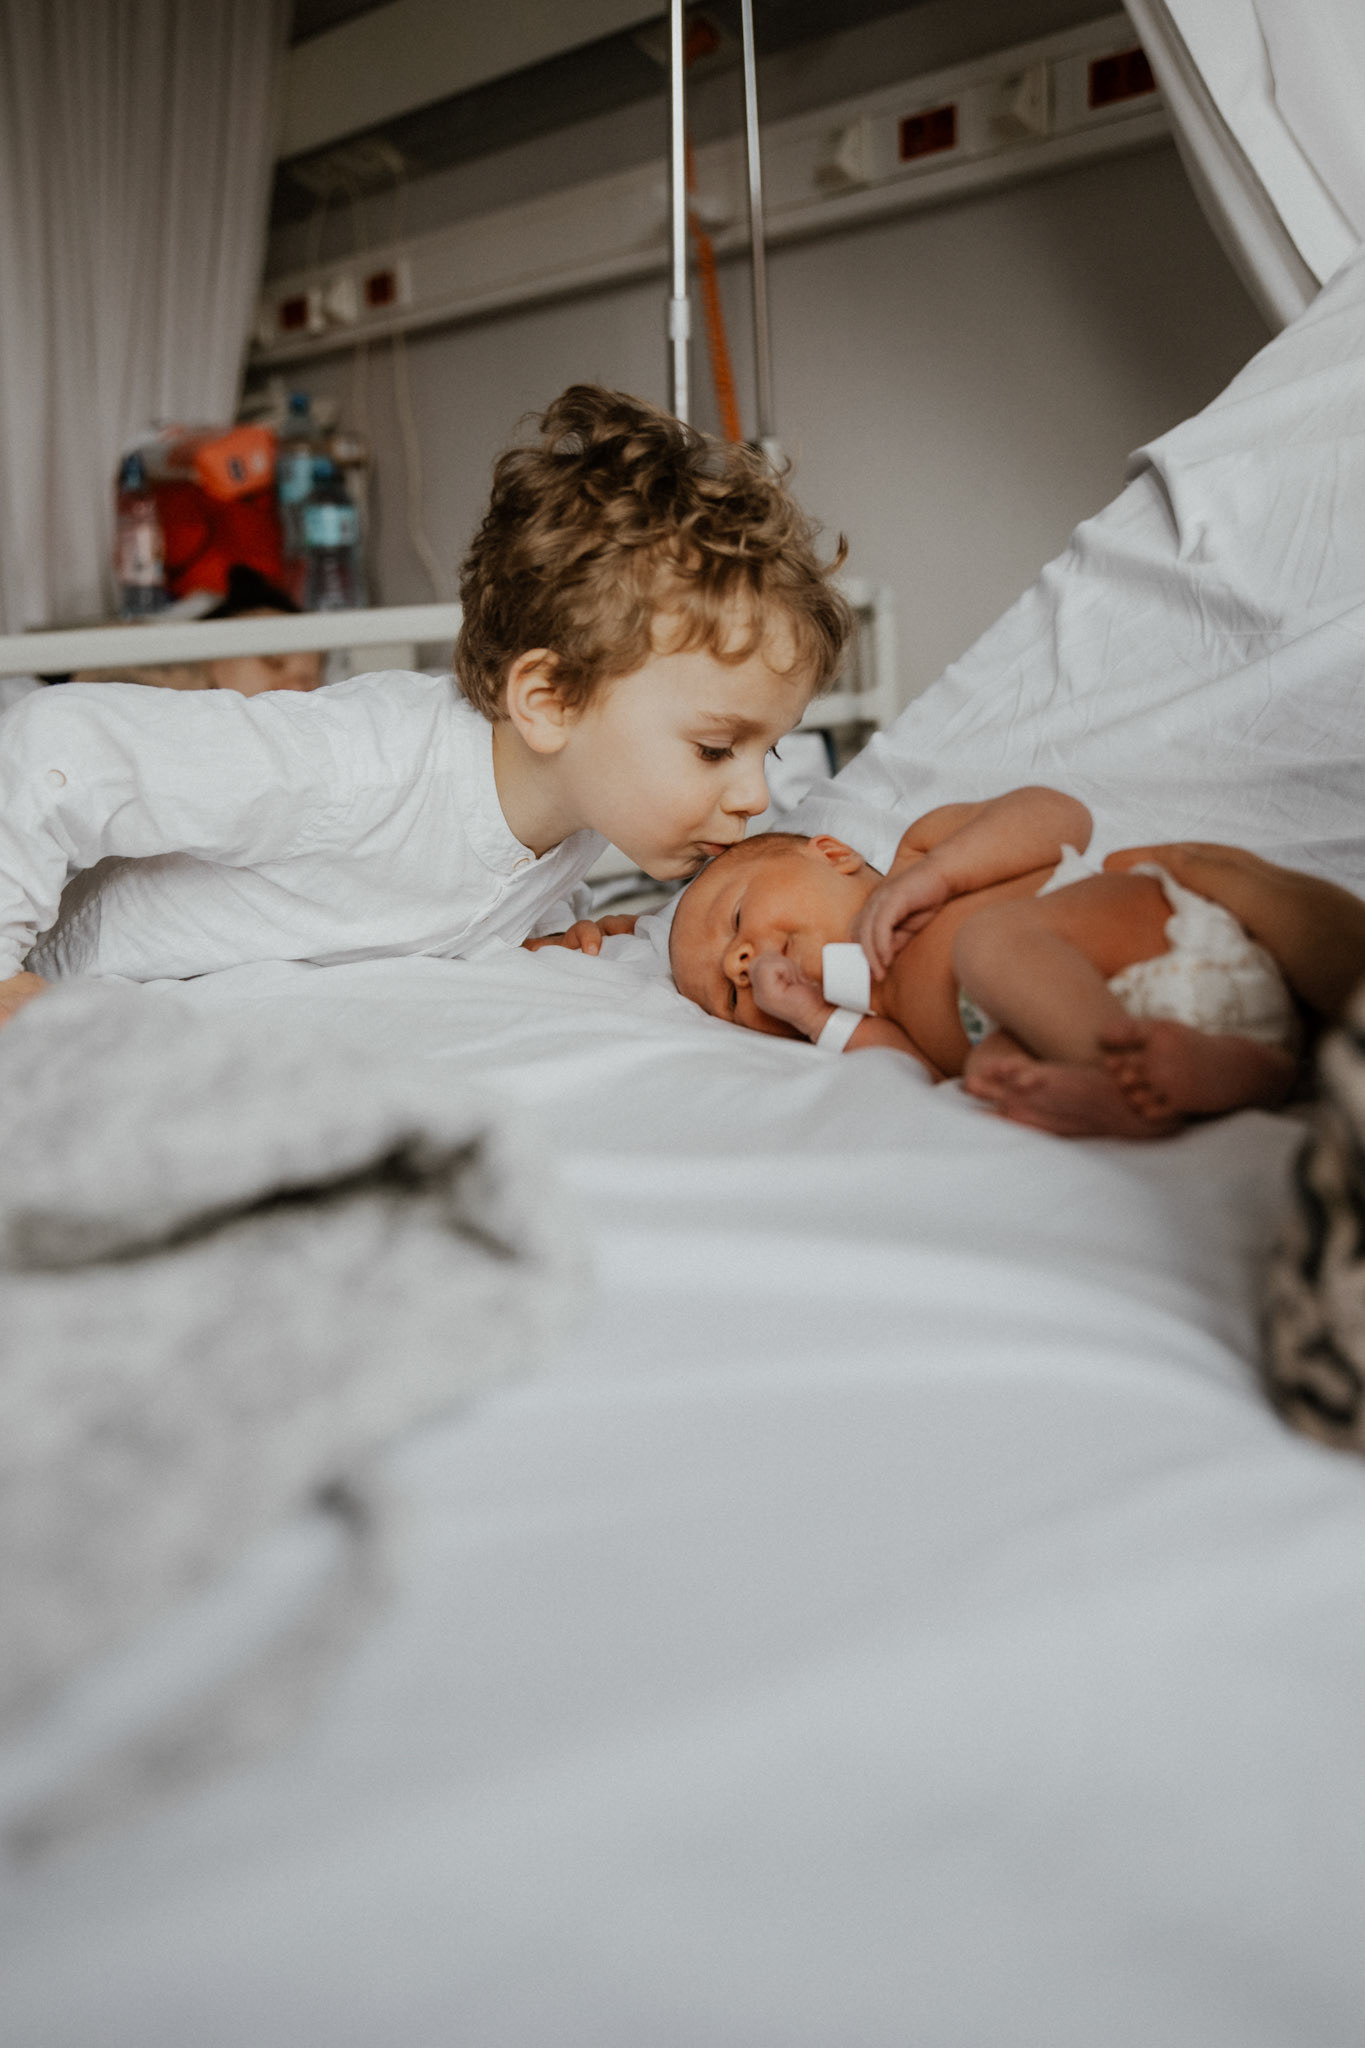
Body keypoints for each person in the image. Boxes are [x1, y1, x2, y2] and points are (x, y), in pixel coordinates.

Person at [0, 387, 851, 1022]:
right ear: (548, 701)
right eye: (715, 749)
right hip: (63, 980)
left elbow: (462, 877)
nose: (754, 795)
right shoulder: (355, 766)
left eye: (768, 751)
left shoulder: (575, 808)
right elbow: (57, 746)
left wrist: (549, 923)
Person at [668, 787, 1365, 1138]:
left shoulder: (922, 854)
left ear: (832, 854)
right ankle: (1240, 1074)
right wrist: (811, 1013)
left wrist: (941, 875)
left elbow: (1061, 817)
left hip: (1172, 937)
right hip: (1164, 1038)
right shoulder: (876, 1013)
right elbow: (909, 1070)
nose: (737, 961)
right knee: (987, 1071)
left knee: (990, 941)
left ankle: (1344, 984)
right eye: (727, 998)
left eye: (736, 918)